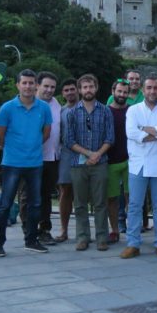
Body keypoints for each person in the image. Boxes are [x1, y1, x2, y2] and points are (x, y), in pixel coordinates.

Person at [0, 69, 53, 256]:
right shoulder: (7, 108)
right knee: (5, 204)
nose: (28, 86)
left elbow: (46, 133)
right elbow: (0, 135)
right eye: (24, 83)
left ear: (36, 85)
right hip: (12, 163)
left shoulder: (44, 108)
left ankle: (31, 240)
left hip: (35, 163)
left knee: (35, 204)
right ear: (17, 85)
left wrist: (32, 146)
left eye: (31, 83)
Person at [120, 75, 157, 259]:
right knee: (135, 205)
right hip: (138, 165)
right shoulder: (133, 110)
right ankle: (133, 243)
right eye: (149, 87)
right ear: (143, 90)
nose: (152, 91)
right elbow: (131, 133)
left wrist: (144, 129)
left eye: (155, 88)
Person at [65, 74, 114, 252]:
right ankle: (82, 237)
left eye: (91, 87)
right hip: (78, 164)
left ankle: (102, 237)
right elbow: (69, 141)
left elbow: (110, 138)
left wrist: (97, 154)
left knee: (101, 202)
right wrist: (89, 153)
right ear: (79, 90)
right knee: (79, 203)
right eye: (84, 87)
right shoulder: (72, 113)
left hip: (100, 162)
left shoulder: (105, 110)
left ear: (96, 88)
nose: (88, 90)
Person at [19, 71, 60, 247]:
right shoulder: (27, 104)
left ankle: (44, 230)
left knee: (45, 196)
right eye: (46, 86)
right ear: (37, 86)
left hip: (51, 158)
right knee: (27, 195)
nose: (49, 90)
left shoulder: (57, 105)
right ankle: (29, 230)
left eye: (52, 87)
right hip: (29, 158)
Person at [54, 78, 78, 243]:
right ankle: (63, 229)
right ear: (63, 93)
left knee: (85, 193)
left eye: (72, 89)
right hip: (67, 154)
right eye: (66, 90)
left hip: (85, 154)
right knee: (65, 192)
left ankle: (84, 231)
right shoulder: (60, 111)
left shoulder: (86, 108)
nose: (70, 92)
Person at [106, 79, 130, 244]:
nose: (122, 95)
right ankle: (114, 230)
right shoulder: (105, 111)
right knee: (112, 198)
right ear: (113, 91)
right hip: (110, 160)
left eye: (125, 92)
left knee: (133, 197)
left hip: (131, 160)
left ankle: (133, 229)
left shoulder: (132, 111)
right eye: (119, 91)